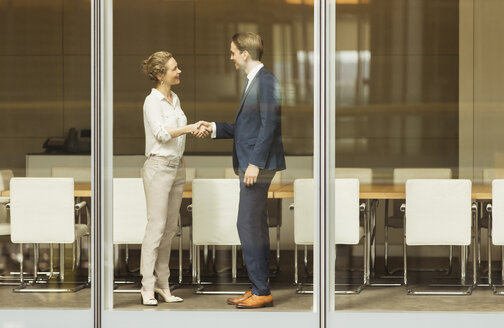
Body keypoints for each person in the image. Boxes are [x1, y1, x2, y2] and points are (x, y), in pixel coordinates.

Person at [198, 32, 286, 308]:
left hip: (257, 166)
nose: (231, 57)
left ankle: (261, 290)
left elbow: (269, 126)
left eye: (233, 52)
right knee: (255, 226)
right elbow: (247, 129)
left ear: (245, 54)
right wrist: (214, 128)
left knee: (247, 224)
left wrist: (255, 163)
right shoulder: (254, 82)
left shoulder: (267, 81)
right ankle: (259, 287)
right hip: (253, 163)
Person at [140, 51, 209, 306]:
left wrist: (193, 131)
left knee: (170, 230)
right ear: (160, 75)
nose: (179, 71)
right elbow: (160, 134)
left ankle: (163, 285)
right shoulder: (152, 102)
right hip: (158, 167)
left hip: (177, 167)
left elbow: (177, 133)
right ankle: (147, 287)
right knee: (156, 229)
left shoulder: (174, 98)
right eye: (174, 68)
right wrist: (190, 128)